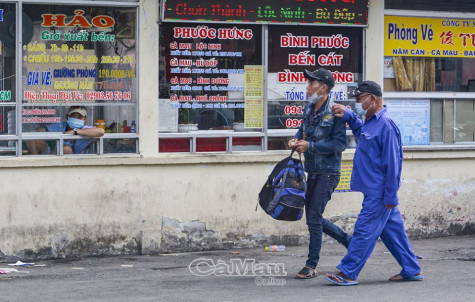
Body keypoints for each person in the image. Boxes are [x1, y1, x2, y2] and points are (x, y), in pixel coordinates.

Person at [326, 81, 423, 286]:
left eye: (362, 99)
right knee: (393, 232)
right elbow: (361, 132)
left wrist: (390, 196)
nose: (360, 103)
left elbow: (393, 164)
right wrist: (349, 114)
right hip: (373, 189)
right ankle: (412, 269)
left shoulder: (387, 125)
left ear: (374, 99)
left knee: (364, 230)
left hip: (380, 192)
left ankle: (348, 272)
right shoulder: (370, 122)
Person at [288, 68, 351, 279]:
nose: (307, 87)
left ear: (323, 87)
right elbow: (301, 130)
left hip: (329, 172)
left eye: (311, 83)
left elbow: (340, 144)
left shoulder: (336, 111)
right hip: (311, 170)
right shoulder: (309, 108)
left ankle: (311, 265)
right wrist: (295, 140)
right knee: (314, 218)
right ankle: (350, 243)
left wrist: (311, 146)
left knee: (314, 217)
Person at [27, 106, 104, 155]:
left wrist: (76, 131)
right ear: (67, 117)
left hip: (77, 162)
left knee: (66, 148)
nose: (75, 119)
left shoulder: (86, 129)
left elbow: (101, 131)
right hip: (55, 156)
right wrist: (33, 131)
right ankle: (36, 161)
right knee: (33, 138)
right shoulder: (61, 125)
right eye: (73, 116)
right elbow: (40, 131)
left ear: (85, 119)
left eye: (79, 117)